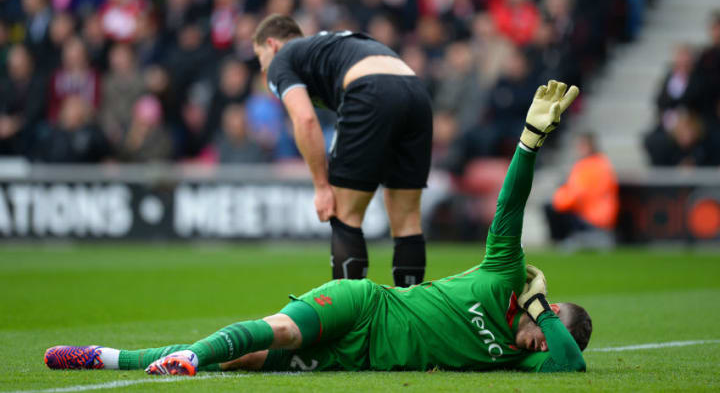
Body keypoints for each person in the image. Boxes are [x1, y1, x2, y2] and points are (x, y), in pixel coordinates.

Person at [45, 80, 591, 374]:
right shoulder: (503, 274)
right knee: (278, 330)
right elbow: (509, 210)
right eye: (547, 326)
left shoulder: (530, 353)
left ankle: (106, 358)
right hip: (364, 305)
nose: (541, 338)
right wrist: (528, 143)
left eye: (548, 335)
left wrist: (546, 311)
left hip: (357, 358)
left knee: (247, 359)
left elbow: (570, 368)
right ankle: (188, 358)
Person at [252, 14, 433, 287]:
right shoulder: (325, 48)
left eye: (260, 58)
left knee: (344, 214)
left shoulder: (282, 58)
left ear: (272, 44)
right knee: (407, 219)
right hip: (416, 92)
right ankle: (411, 317)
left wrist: (322, 187)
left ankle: (351, 318)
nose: (264, 71)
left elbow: (305, 119)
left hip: (370, 88)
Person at [545, 132, 618, 248]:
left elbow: (577, 194)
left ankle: (562, 242)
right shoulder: (601, 163)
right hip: (598, 214)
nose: (578, 149)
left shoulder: (589, 166)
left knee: (551, 208)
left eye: (581, 145)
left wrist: (558, 199)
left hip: (592, 216)